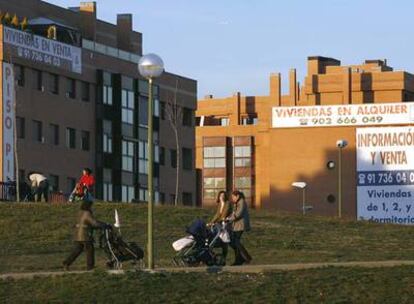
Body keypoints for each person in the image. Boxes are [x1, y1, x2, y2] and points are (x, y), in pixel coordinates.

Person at [62, 200, 108, 271]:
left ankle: (67, 263)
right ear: (88, 206)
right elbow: (93, 223)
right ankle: (90, 267)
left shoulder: (79, 213)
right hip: (85, 235)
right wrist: (104, 225)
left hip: (78, 235)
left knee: (77, 250)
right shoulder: (87, 213)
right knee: (90, 250)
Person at [227, 190, 252, 266]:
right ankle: (239, 259)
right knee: (234, 242)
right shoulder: (237, 203)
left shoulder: (242, 202)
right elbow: (234, 213)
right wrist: (228, 218)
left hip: (240, 225)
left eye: (233, 197)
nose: (232, 198)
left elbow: (238, 213)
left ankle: (246, 257)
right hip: (236, 226)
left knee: (236, 241)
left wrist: (229, 219)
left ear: (237, 196)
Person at [208, 191, 232, 264]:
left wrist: (221, 220)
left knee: (224, 241)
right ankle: (210, 255)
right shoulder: (219, 204)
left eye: (223, 195)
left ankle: (223, 258)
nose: (222, 196)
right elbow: (217, 214)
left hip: (225, 224)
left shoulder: (227, 203)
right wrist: (211, 222)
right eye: (221, 195)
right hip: (219, 223)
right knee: (213, 238)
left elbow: (225, 213)